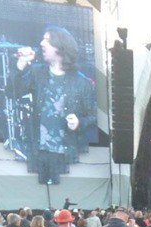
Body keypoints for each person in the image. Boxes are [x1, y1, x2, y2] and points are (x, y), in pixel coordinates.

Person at [14, 26, 96, 185]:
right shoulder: (37, 73)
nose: (41, 43)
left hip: (67, 153)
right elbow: (14, 92)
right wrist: (20, 66)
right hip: (39, 151)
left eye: (47, 40)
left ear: (60, 47)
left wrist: (79, 122)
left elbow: (92, 115)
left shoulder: (82, 83)